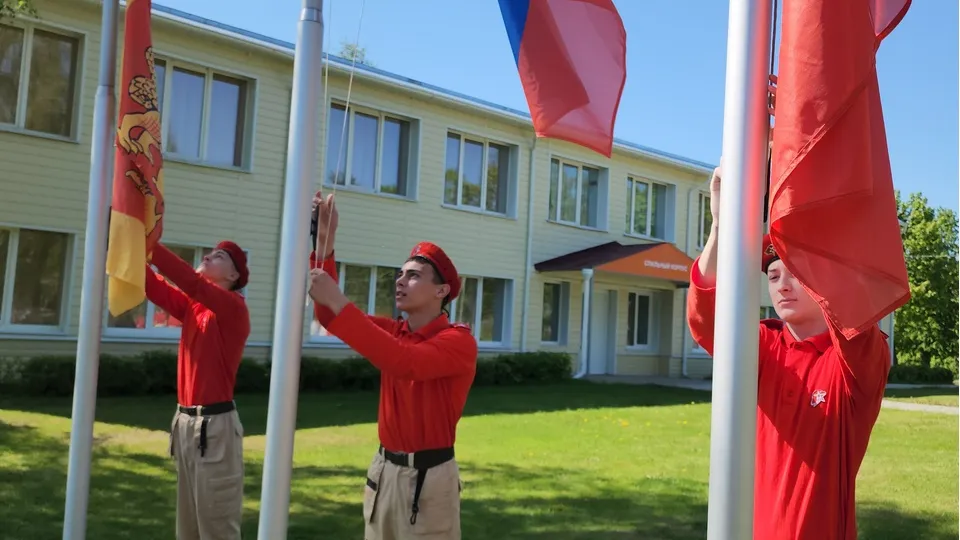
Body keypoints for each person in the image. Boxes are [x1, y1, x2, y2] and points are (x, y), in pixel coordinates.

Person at [687, 162, 891, 539]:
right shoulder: (762, 346)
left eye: (796, 271)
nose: (782, 284)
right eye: (773, 274)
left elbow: (854, 317)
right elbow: (705, 320)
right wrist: (721, 227)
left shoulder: (854, 359)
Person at [306, 189, 478, 540]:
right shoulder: (394, 331)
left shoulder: (458, 341)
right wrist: (325, 242)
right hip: (384, 470)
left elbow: (406, 363)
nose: (400, 280)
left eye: (414, 275)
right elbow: (327, 312)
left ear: (442, 291)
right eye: (400, 274)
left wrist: (338, 299)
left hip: (429, 480)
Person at [145, 241, 251, 540]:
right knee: (188, 530)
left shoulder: (233, 307)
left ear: (233, 276)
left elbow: (188, 280)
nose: (207, 256)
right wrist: (123, 241)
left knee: (217, 529)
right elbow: (154, 287)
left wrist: (147, 242)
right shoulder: (196, 306)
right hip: (186, 425)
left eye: (218, 257)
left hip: (214, 430)